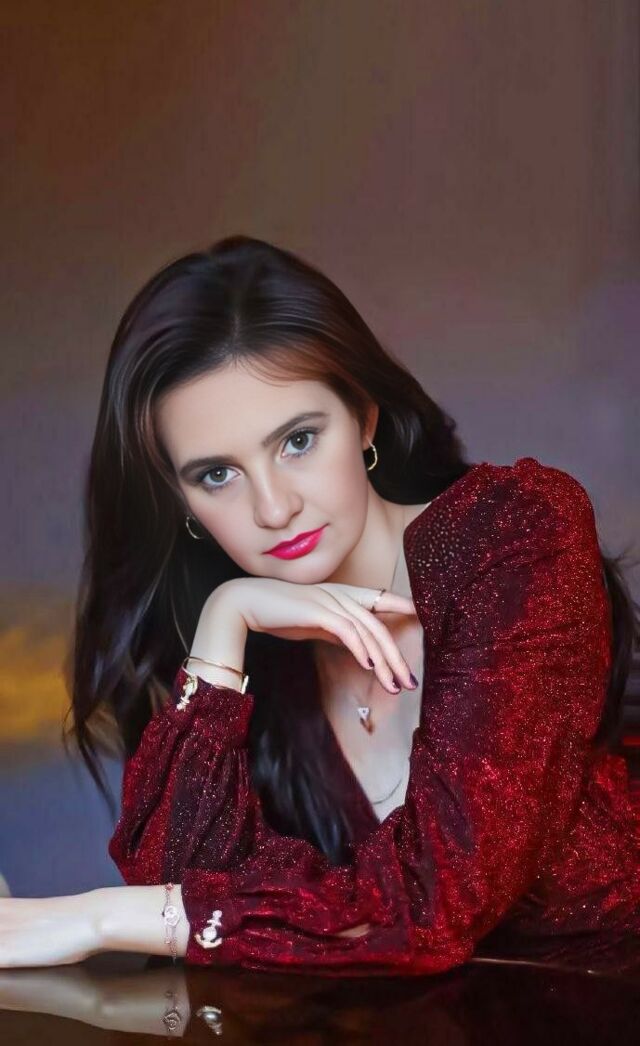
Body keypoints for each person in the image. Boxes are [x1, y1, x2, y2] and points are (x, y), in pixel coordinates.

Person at [1, 235, 639, 974]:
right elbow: (186, 897)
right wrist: (226, 618)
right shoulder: (254, 664)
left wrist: (92, 918)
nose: (274, 509)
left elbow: (432, 905)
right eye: (216, 476)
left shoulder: (513, 538)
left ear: (363, 418)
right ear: (179, 501)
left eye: (298, 440)